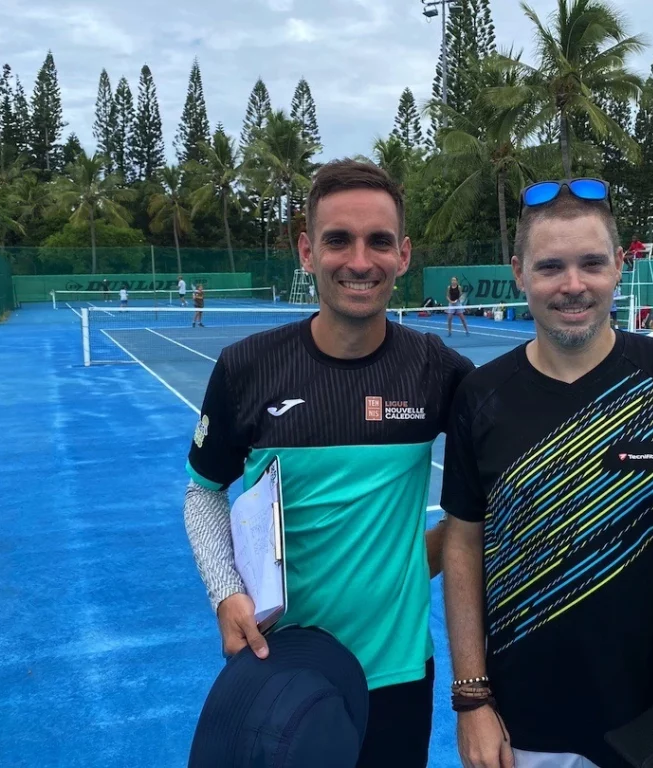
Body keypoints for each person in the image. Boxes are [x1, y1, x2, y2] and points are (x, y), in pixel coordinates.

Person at [440, 178, 653, 768]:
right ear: (519, 273)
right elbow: (463, 544)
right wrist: (471, 699)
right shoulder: (481, 396)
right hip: (527, 723)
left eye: (591, 263)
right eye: (551, 266)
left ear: (618, 265)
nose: (573, 285)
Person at [182, 158, 475, 768]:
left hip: (396, 675)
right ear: (307, 251)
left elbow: (504, 489)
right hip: (281, 669)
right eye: (339, 239)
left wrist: (416, 558)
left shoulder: (438, 371)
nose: (361, 261)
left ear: (404, 255)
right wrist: (224, 591)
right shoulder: (246, 368)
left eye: (380, 242)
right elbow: (203, 489)